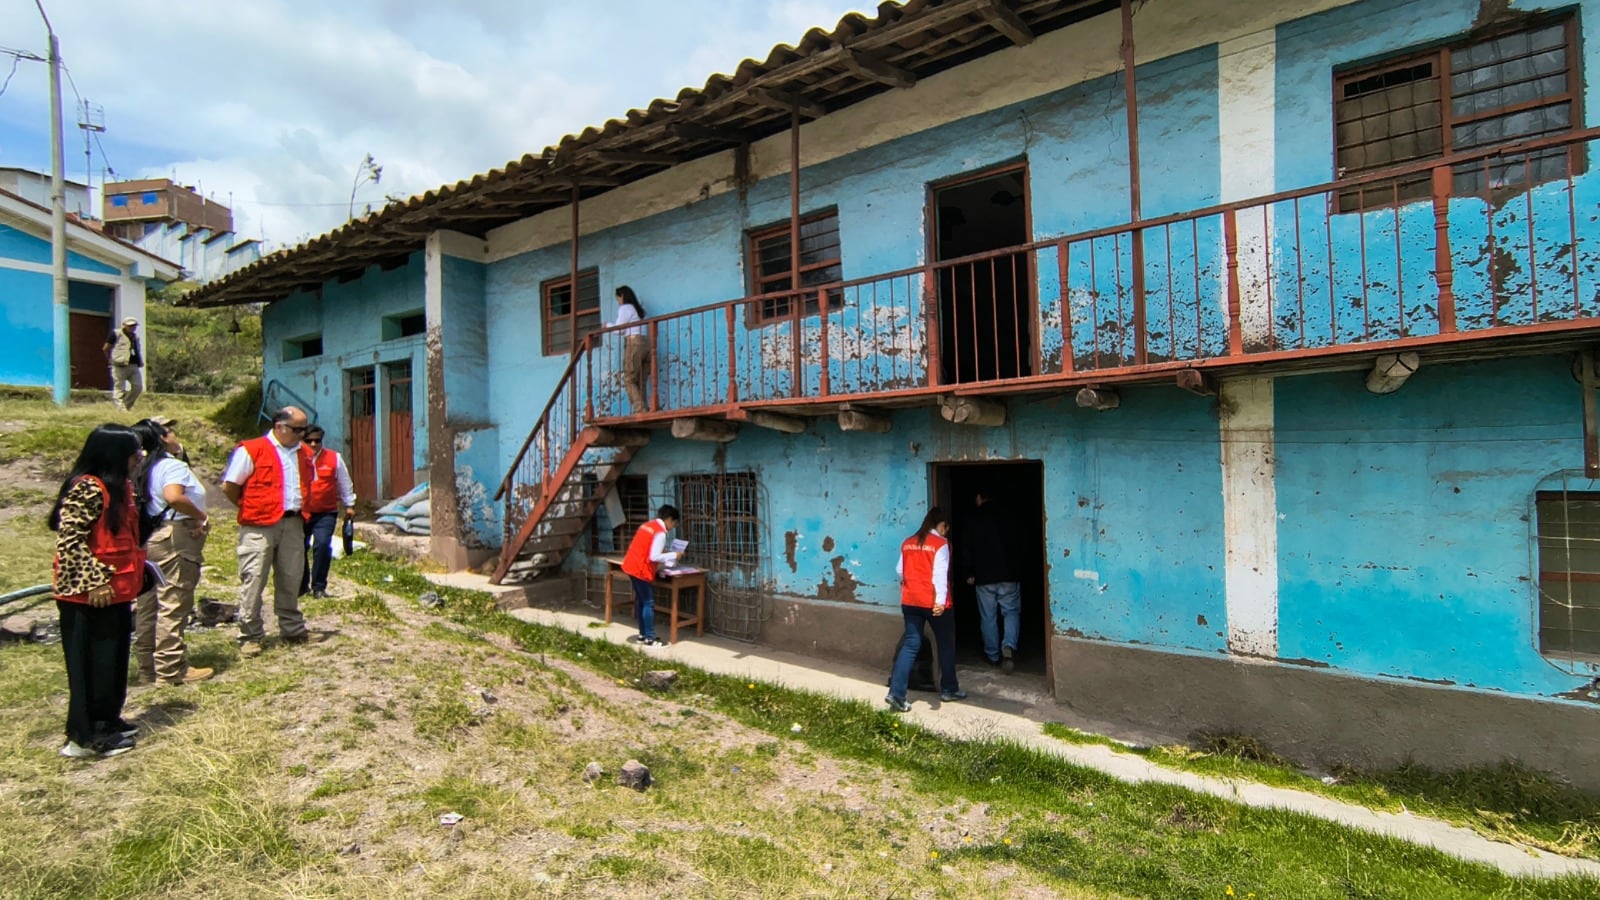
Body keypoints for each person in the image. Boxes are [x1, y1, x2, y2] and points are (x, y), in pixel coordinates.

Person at [48, 424, 145, 757]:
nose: (139, 457)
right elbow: (70, 540)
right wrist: (96, 580)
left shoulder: (120, 488)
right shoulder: (88, 488)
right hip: (88, 594)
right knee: (89, 665)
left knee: (112, 662)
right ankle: (83, 737)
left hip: (116, 591)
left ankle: (107, 720)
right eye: (135, 452)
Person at [222, 406, 320, 657]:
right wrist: (251, 507)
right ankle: (250, 634)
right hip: (258, 525)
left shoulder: (305, 454)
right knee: (254, 578)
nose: (302, 435)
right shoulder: (251, 450)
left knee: (291, 576)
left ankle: (292, 628)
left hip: (293, 522)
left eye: (304, 429)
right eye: (297, 430)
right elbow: (230, 486)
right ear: (280, 427)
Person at [131, 418, 214, 686]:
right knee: (174, 601)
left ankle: (147, 668)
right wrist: (200, 516)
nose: (177, 436)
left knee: (148, 604)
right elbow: (174, 497)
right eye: (171, 431)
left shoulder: (141, 467)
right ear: (163, 438)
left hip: (149, 537)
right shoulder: (171, 466)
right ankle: (171, 668)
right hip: (175, 536)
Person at [887, 507, 964, 711]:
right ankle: (949, 689)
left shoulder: (908, 542)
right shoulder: (941, 544)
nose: (946, 531)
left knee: (911, 644)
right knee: (945, 644)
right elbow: (940, 574)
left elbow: (899, 570)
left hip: (910, 601)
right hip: (934, 603)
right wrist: (939, 602)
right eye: (946, 528)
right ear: (942, 525)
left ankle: (896, 693)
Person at [962, 488, 1021, 674]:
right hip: (1010, 574)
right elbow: (1022, 543)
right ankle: (1009, 646)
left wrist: (969, 572)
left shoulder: (973, 518)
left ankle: (993, 655)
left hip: (984, 577)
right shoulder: (1010, 515)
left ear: (980, 497)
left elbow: (967, 547)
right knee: (1011, 612)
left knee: (988, 616)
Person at [298, 425, 356, 599]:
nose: (313, 444)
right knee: (299, 548)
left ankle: (319, 587)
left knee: (322, 545)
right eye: (309, 441)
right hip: (300, 513)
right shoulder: (295, 458)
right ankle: (301, 586)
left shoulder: (334, 458)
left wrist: (349, 505)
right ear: (302, 441)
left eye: (317, 440)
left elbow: (344, 483)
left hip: (326, 512)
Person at [620, 503, 680, 647]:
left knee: (641, 602)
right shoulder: (660, 532)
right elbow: (653, 557)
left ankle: (642, 634)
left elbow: (647, 547)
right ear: (669, 519)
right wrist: (674, 554)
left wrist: (664, 553)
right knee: (648, 603)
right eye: (675, 523)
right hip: (641, 569)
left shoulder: (648, 525)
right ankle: (650, 638)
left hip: (631, 566)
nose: (673, 527)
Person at [611, 285, 650, 412]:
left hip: (634, 343)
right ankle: (645, 408)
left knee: (629, 379)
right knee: (640, 380)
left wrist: (607, 325)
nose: (618, 302)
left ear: (622, 296)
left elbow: (618, 329)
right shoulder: (640, 311)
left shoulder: (625, 308)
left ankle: (640, 409)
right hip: (647, 343)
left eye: (618, 299)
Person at [103, 317, 144, 411]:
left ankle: (125, 405)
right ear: (124, 325)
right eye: (130, 325)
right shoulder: (116, 334)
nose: (132, 327)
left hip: (133, 365)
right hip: (119, 365)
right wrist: (110, 359)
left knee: (138, 387)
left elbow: (137, 350)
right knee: (119, 388)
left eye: (134, 325)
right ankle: (121, 410)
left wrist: (140, 361)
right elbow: (106, 348)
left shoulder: (135, 337)